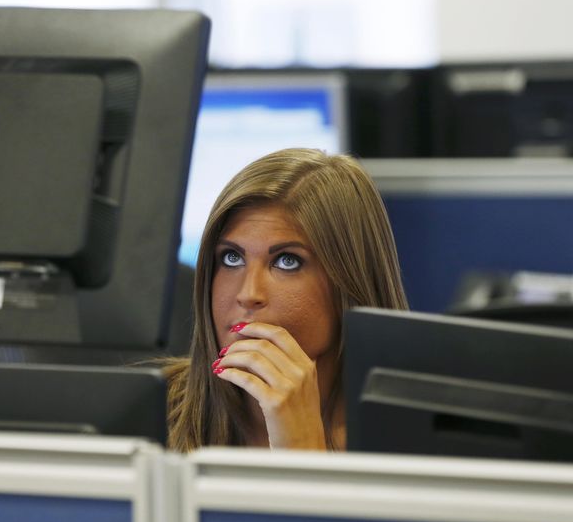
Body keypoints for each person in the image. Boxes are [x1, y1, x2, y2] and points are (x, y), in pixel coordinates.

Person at [165, 148, 408, 452]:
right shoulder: (147, 415)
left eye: (287, 262)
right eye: (231, 258)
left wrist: (303, 451)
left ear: (350, 283)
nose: (248, 294)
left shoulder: (418, 440)